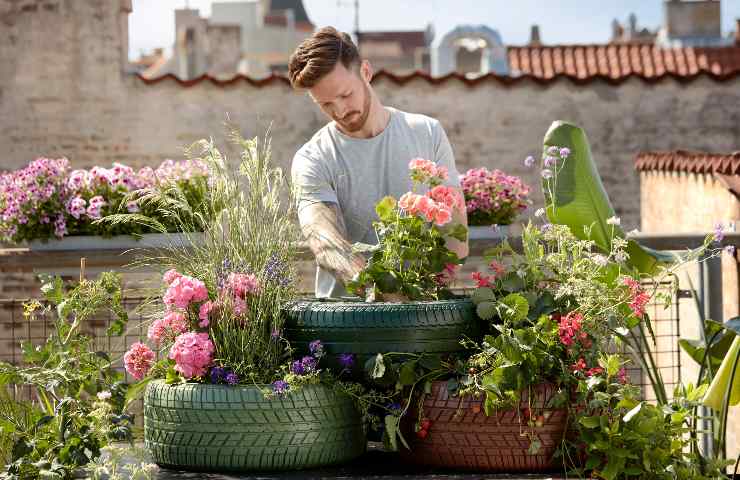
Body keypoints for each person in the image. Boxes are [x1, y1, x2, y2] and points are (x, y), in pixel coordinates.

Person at [288, 26, 468, 299]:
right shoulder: (312, 158)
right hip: (344, 323)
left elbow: (455, 236)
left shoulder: (428, 133)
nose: (340, 110)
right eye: (325, 104)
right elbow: (325, 242)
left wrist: (425, 297)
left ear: (366, 72)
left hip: (421, 317)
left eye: (345, 95)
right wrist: (384, 296)